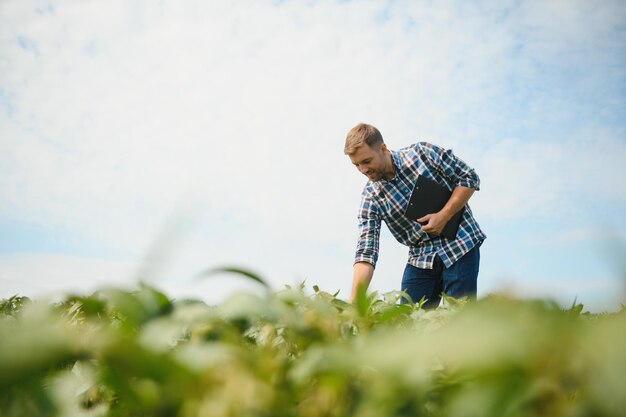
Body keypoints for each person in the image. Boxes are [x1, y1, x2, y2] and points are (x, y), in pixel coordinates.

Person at [345, 123, 486, 308]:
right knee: (408, 321)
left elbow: (469, 178)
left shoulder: (422, 154)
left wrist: (444, 215)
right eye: (356, 165)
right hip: (420, 258)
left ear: (383, 148)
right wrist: (355, 299)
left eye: (367, 161)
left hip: (459, 244)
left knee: (459, 318)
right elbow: (366, 250)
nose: (363, 170)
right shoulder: (371, 197)